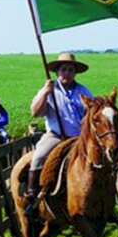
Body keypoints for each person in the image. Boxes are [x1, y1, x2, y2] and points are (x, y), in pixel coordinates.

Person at [26, 53, 94, 213]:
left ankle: (105, 197)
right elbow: (36, 112)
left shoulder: (83, 91)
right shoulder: (50, 89)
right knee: (39, 156)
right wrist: (45, 93)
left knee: (100, 159)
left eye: (71, 70)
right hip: (56, 136)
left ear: (75, 73)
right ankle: (32, 194)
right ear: (57, 71)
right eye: (64, 69)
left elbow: (93, 113)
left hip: (79, 138)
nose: (67, 73)